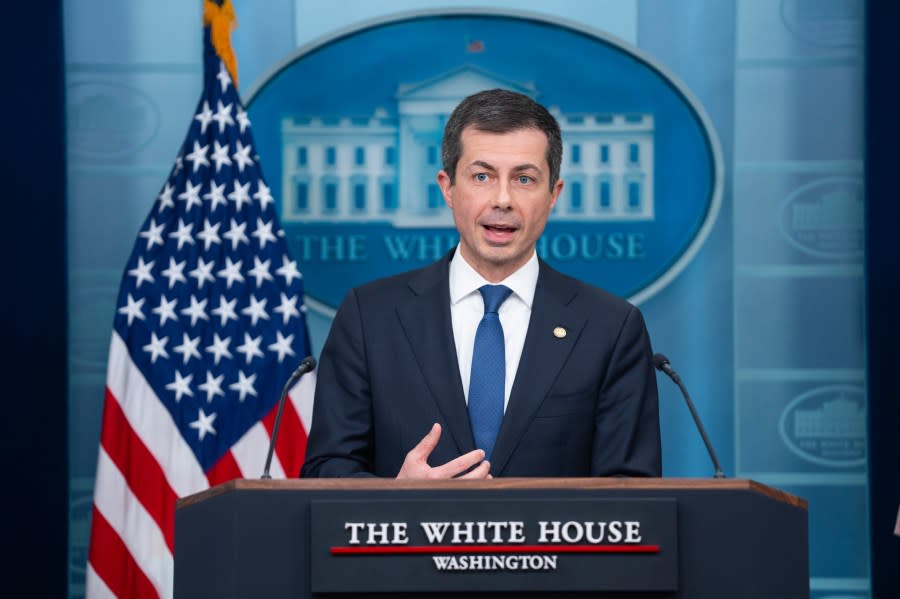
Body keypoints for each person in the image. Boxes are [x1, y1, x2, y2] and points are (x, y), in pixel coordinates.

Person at [301, 88, 661, 479]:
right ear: (448, 188)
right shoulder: (369, 317)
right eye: (482, 176)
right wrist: (395, 498)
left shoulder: (609, 328)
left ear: (553, 194)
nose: (502, 199)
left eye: (524, 178)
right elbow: (327, 470)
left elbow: (632, 493)